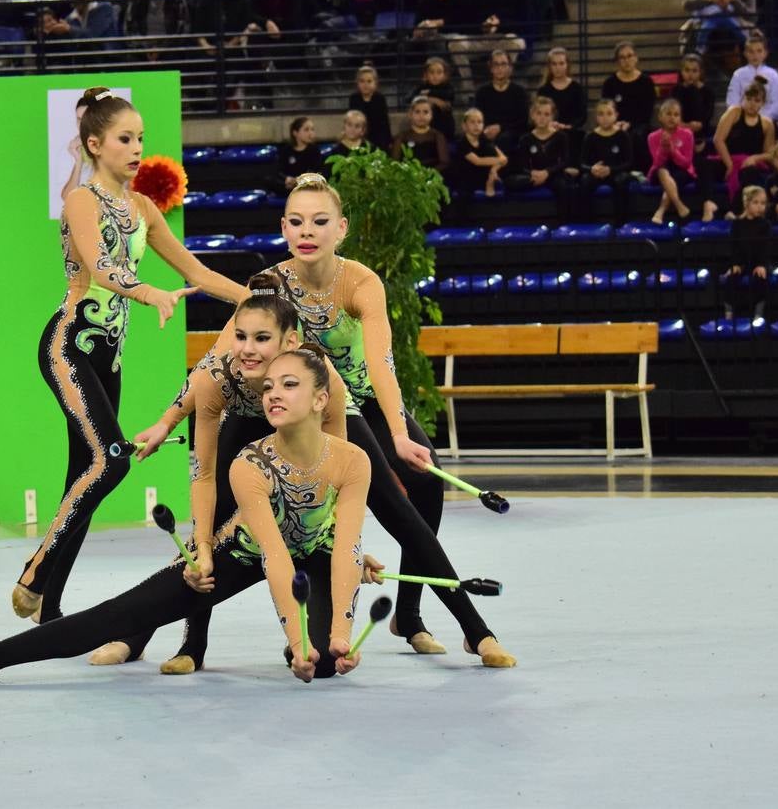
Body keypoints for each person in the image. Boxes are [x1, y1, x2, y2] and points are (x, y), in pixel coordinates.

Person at [166, 174, 516, 667]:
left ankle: (458, 627)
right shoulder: (269, 285)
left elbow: (381, 362)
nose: (307, 231)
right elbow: (217, 360)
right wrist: (169, 417)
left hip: (352, 401)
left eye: (320, 221)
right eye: (296, 221)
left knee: (415, 494)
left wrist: (397, 432)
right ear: (283, 227)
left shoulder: (359, 282)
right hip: (279, 404)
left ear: (341, 228)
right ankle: (191, 642)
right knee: (217, 508)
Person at [0, 348, 373, 688]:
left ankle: (314, 646)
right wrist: (297, 645)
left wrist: (339, 635)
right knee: (116, 614)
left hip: (317, 551)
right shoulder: (249, 464)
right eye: (270, 386)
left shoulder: (352, 461)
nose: (273, 393)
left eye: (289, 385)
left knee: (329, 663)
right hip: (247, 550)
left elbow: (347, 547)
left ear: (320, 399)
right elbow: (275, 556)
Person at [11, 90, 248, 626]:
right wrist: (149, 293)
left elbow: (199, 273)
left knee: (85, 475)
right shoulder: (81, 200)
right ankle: (37, 569)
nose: (137, 147)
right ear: (95, 145)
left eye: (141, 138)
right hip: (69, 344)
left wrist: (259, 299)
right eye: (125, 138)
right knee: (112, 460)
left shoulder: (143, 208)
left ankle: (49, 609)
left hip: (107, 360)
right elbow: (97, 266)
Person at [99, 280, 351, 673]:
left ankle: (301, 641)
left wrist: (345, 538)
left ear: (289, 339)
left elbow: (335, 472)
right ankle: (178, 642)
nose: (249, 346)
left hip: (293, 432)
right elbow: (199, 396)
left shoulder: (315, 375)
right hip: (241, 427)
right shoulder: (227, 363)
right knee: (208, 539)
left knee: (323, 658)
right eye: (242, 335)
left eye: (263, 337)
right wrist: (166, 423)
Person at [446, 0, 528, 90]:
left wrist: (500, 24)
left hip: (504, 37)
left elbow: (524, 20)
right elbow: (468, 19)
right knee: (455, 44)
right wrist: (482, 26)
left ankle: (503, 85)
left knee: (515, 42)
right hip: (481, 38)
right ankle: (469, 89)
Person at [712, 76, 776, 219]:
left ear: (763, 103)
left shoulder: (767, 124)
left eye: (757, 101)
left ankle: (734, 211)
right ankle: (709, 205)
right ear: (743, 98)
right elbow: (718, 140)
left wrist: (755, 157)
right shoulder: (734, 112)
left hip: (749, 164)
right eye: (749, 99)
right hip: (728, 160)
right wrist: (729, 164)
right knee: (703, 165)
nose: (752, 104)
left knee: (750, 173)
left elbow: (770, 153)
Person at [601, 41, 658, 171]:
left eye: (629, 56)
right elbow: (605, 109)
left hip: (640, 125)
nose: (626, 60)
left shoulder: (646, 82)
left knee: (637, 135)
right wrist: (616, 124)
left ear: (636, 58)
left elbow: (647, 112)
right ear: (617, 61)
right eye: (622, 57)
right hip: (615, 124)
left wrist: (629, 125)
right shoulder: (609, 83)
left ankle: (641, 173)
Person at [506, 96, 567, 209]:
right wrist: (532, 173)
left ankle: (563, 224)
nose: (542, 118)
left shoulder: (560, 136)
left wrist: (547, 172)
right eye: (539, 113)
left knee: (563, 185)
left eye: (546, 114)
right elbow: (522, 164)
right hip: (534, 176)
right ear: (532, 115)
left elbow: (564, 161)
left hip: (552, 175)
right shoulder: (526, 138)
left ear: (552, 116)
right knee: (510, 182)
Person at [721, 185, 771, 321]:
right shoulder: (737, 224)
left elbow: (765, 247)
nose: (760, 206)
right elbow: (734, 246)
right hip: (742, 261)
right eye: (756, 202)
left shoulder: (765, 224)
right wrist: (736, 264)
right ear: (746, 203)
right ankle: (729, 312)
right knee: (731, 277)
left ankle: (758, 313)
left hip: (758, 261)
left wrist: (761, 264)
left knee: (761, 278)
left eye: (763, 203)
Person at [579, 99, 633, 223]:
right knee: (585, 181)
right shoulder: (590, 136)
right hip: (596, 173)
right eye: (601, 114)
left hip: (616, 172)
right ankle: (588, 223)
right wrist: (591, 169)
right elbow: (582, 163)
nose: (605, 118)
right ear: (596, 117)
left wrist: (610, 170)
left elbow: (629, 162)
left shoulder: (622, 135)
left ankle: (621, 223)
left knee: (621, 181)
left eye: (609, 113)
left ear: (616, 115)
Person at [682, 0, 755, 56]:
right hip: (710, 19)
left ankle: (747, 43)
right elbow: (697, 12)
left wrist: (726, 6)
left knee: (736, 27)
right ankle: (700, 47)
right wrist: (709, 1)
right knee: (705, 29)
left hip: (724, 16)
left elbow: (731, 9)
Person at [125, 0, 189, 62]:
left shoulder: (178, 0)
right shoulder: (137, 0)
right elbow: (129, 28)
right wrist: (144, 48)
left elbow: (182, 29)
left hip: (170, 48)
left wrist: (162, 48)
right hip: (142, 48)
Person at [648, 99, 698, 224]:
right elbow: (658, 162)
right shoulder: (652, 137)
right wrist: (663, 149)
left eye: (676, 115)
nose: (672, 118)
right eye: (669, 114)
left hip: (681, 170)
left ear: (680, 117)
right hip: (661, 170)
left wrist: (673, 150)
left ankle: (661, 210)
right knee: (662, 171)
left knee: (673, 180)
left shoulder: (687, 134)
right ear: (660, 116)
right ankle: (680, 206)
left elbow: (686, 163)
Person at [537, 46, 587, 165]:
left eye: (561, 63)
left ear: (567, 65)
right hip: (549, 130)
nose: (558, 68)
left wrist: (568, 126)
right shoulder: (544, 90)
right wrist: (550, 124)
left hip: (571, 131)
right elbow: (538, 114)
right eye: (554, 64)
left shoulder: (577, 88)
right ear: (549, 66)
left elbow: (582, 115)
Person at [473, 49, 530, 153]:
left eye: (503, 64)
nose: (499, 68)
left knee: (503, 139)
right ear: (490, 68)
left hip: (512, 133)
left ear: (510, 67)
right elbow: (476, 117)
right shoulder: (482, 92)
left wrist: (500, 127)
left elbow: (523, 121)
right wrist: (486, 130)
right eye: (496, 64)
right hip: (486, 131)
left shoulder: (519, 92)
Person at [727, 35, 778, 124]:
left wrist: (760, 119)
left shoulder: (773, 75)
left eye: (759, 51)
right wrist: (745, 118)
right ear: (745, 53)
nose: (755, 55)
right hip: (742, 122)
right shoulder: (738, 74)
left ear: (765, 53)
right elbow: (732, 101)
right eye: (751, 51)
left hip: (767, 121)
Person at [452, 107, 508, 197]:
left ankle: (490, 180)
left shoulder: (484, 139)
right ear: (464, 125)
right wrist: (500, 160)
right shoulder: (462, 142)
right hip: (466, 175)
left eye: (479, 122)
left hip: (483, 174)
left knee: (491, 152)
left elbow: (504, 158)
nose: (476, 125)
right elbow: (478, 161)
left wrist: (493, 170)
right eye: (472, 122)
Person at [391, 97, 451, 172]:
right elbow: (395, 162)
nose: (421, 116)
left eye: (425, 112)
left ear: (431, 115)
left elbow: (444, 162)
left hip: (432, 177)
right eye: (417, 112)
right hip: (408, 176)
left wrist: (427, 174)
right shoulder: (401, 137)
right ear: (410, 115)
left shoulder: (438, 136)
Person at [673, 53, 715, 153]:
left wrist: (696, 125)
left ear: (700, 72)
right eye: (687, 70)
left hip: (701, 132)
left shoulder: (708, 92)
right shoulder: (676, 90)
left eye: (694, 71)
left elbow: (706, 116)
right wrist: (684, 125)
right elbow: (672, 113)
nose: (690, 74)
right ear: (681, 71)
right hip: (679, 130)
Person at [276, 117, 326, 192]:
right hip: (288, 186)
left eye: (312, 129)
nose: (310, 133)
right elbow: (279, 171)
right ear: (295, 133)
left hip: (307, 186)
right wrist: (288, 179)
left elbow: (317, 172)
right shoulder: (286, 150)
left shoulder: (314, 150)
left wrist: (300, 180)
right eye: (306, 130)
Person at [349, 66, 393, 152]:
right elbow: (352, 120)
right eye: (362, 81)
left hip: (378, 138)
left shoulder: (380, 99)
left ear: (375, 83)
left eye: (369, 81)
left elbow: (385, 122)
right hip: (359, 137)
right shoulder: (354, 98)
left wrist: (389, 141)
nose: (365, 85)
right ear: (357, 83)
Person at [414, 55, 457, 141]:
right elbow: (409, 98)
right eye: (432, 72)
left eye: (439, 72)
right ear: (426, 74)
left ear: (445, 75)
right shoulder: (422, 86)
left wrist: (429, 94)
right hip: (426, 129)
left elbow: (448, 96)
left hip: (445, 129)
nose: (435, 76)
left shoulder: (447, 87)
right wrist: (428, 99)